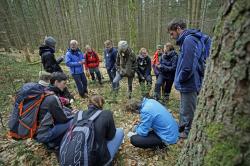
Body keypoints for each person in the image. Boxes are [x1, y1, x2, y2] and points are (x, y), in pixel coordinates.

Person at [167, 19, 206, 138]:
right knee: (185, 107)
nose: (171, 37)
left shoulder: (189, 40)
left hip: (190, 82)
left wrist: (180, 79)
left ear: (178, 29)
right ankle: (183, 128)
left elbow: (188, 67)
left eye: (172, 33)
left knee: (189, 109)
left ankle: (188, 133)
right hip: (188, 82)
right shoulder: (187, 40)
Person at [35, 72, 73, 148]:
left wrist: (70, 112)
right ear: (56, 82)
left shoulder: (44, 92)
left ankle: (53, 141)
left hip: (38, 131)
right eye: (64, 83)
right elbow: (63, 119)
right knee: (74, 120)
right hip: (44, 134)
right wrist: (73, 115)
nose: (65, 86)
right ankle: (54, 142)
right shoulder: (52, 97)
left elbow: (60, 109)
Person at [83, 95, 124, 165]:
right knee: (120, 131)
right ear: (101, 104)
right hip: (97, 160)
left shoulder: (79, 114)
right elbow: (111, 136)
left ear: (89, 104)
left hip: (78, 156)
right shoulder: (106, 113)